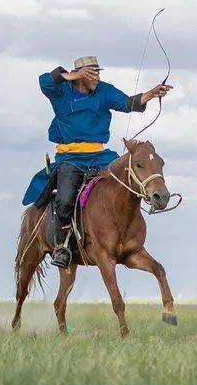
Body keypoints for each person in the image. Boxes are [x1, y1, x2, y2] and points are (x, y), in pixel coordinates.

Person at [21, 56, 173, 268]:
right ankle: (62, 246)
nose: (97, 77)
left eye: (98, 73)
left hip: (99, 155)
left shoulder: (103, 90)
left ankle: (147, 203)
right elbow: (44, 81)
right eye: (92, 73)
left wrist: (151, 93)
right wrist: (71, 75)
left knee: (125, 176)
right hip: (70, 157)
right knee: (65, 200)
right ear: (80, 75)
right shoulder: (62, 90)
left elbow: (128, 103)